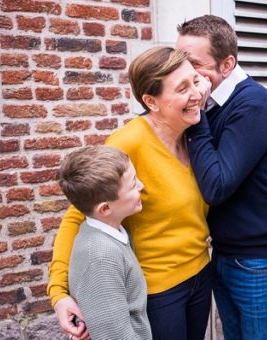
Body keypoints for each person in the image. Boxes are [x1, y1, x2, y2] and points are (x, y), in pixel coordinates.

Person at [49, 46, 214, 340]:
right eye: (182, 88)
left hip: (201, 275)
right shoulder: (129, 143)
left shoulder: (195, 134)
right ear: (151, 101)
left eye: (195, 81)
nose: (197, 94)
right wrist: (59, 293)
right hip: (160, 292)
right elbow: (77, 218)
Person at [177, 15, 267, 339]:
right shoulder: (213, 99)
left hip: (261, 262)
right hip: (226, 253)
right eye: (178, 61)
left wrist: (197, 117)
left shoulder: (252, 103)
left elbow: (216, 186)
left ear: (227, 64)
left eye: (192, 63)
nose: (183, 72)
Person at [59, 146, 150, 340]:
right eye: (133, 185)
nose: (141, 185)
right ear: (105, 208)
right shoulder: (101, 258)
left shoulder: (112, 234)